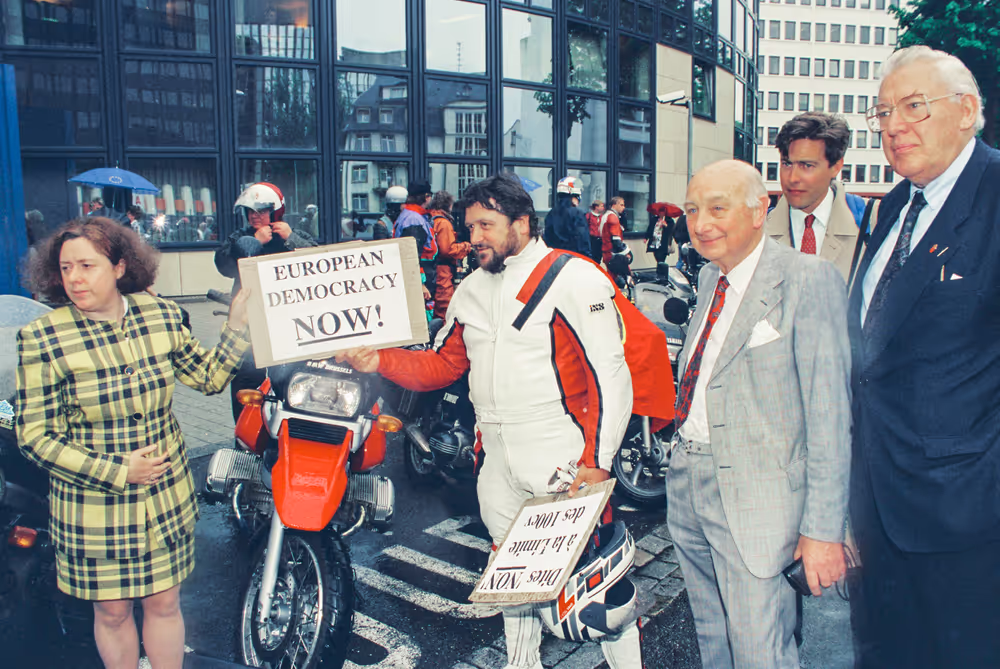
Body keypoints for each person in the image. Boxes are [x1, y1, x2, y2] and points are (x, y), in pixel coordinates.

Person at [336, 172, 646, 669]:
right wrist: (380, 361)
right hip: (497, 459)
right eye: (469, 224)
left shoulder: (576, 276)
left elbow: (611, 376)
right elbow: (442, 366)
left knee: (598, 587)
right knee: (514, 578)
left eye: (486, 224)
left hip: (560, 454)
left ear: (521, 222)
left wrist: (599, 461)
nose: (473, 236)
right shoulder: (471, 289)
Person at [16, 216, 251, 669]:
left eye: (87, 266)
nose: (75, 279)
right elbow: (34, 436)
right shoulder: (43, 336)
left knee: (164, 604)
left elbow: (207, 377)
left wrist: (237, 328)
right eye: (66, 268)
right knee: (113, 611)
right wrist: (117, 470)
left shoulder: (160, 314)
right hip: (93, 502)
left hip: (165, 496)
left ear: (120, 267)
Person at [848, 46, 1000, 669]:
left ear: (966, 111)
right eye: (882, 113)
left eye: (913, 107)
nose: (892, 126)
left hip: (966, 518)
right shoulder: (891, 209)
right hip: (876, 511)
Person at [668, 160, 851, 669]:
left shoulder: (807, 279)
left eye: (718, 208)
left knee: (759, 651)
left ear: (758, 210)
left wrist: (823, 530)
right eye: (692, 210)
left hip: (759, 503)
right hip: (688, 484)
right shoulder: (709, 277)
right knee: (713, 635)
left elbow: (831, 416)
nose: (701, 223)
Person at [214, 182, 316, 421]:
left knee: (289, 384)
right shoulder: (240, 236)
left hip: (288, 327)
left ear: (276, 211)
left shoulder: (291, 236)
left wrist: (292, 239)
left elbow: (317, 261)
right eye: (250, 211)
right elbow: (224, 265)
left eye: (261, 211)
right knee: (246, 386)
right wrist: (252, 243)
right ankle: (245, 441)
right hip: (250, 328)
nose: (254, 216)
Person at [766, 112, 875, 282]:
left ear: (836, 166)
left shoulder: (872, 221)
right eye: (787, 164)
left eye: (807, 165)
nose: (793, 178)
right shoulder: (755, 231)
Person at [393, 180, 438, 308]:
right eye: (430, 196)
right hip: (421, 281)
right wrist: (421, 284)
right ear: (426, 197)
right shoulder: (414, 219)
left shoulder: (409, 215)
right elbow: (412, 256)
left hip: (421, 277)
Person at [427, 190, 470, 320]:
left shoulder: (431, 218)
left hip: (433, 269)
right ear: (447, 205)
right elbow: (448, 250)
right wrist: (466, 246)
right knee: (444, 307)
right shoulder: (443, 223)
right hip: (443, 271)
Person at [542, 176, 590, 256]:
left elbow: (547, 239)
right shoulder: (577, 213)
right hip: (573, 258)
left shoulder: (551, 213)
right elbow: (582, 240)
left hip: (555, 258)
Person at [600, 196, 627, 269]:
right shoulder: (612, 217)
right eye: (621, 205)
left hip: (607, 250)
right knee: (622, 275)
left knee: (613, 275)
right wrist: (626, 251)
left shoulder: (607, 215)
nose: (623, 207)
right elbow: (616, 240)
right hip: (612, 251)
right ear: (614, 205)